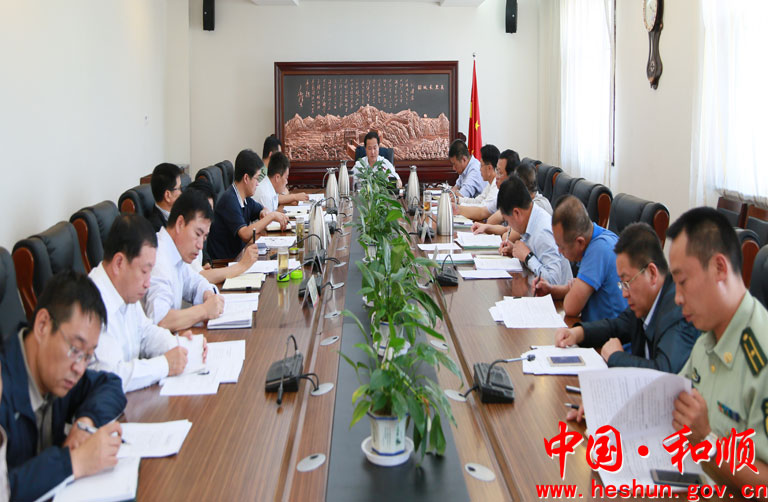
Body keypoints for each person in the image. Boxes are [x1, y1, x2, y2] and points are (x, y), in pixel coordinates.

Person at [0, 271, 126, 501]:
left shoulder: (58, 375)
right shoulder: (4, 387)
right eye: (75, 349)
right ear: (42, 325)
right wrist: (74, 462)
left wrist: (85, 423)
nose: (80, 368)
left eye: (88, 356)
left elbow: (110, 384)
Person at [668, 207, 768, 490]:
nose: (677, 298)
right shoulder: (707, 339)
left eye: (683, 282)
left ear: (719, 268)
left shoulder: (762, 356)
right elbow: (670, 400)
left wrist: (707, 440)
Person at [555, 222, 700, 370]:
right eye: (622, 284)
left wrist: (616, 357)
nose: (624, 293)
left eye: (627, 282)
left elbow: (665, 371)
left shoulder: (678, 310)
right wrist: (578, 333)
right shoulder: (647, 303)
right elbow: (616, 326)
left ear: (652, 273)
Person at [90, 214, 204, 392]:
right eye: (144, 271)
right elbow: (113, 375)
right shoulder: (90, 303)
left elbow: (145, 332)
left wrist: (180, 346)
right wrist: (165, 364)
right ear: (119, 263)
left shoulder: (124, 289)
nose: (147, 283)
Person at [534, 195, 627, 322]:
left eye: (561, 247)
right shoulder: (599, 237)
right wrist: (552, 290)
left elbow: (570, 307)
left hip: (610, 332)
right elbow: (581, 289)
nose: (559, 251)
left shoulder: (598, 250)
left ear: (580, 242)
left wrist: (575, 288)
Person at [143, 190, 225, 331]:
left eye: (204, 237)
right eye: (197, 234)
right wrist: (204, 310)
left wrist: (208, 294)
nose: (200, 245)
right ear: (180, 223)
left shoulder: (176, 253)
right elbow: (161, 320)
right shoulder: (157, 258)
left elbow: (195, 282)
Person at [207, 149, 289, 260]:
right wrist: (272, 216)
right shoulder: (229, 200)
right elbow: (245, 234)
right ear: (246, 178)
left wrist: (264, 211)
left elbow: (261, 209)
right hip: (225, 262)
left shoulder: (245, 199)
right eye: (256, 178)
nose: (258, 184)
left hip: (240, 256)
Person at [497, 175, 572, 285]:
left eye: (508, 221)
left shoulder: (542, 231)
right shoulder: (531, 218)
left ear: (516, 213)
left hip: (557, 295)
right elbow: (538, 257)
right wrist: (515, 251)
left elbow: (554, 281)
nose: (509, 225)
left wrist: (527, 257)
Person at [186, 178, 261, 284]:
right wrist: (242, 265)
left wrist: (205, 263)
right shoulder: (184, 242)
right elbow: (200, 277)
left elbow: (198, 275)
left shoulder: (195, 234)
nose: (209, 217)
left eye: (210, 211)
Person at [461, 148, 520, 225]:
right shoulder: (502, 193)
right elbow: (483, 211)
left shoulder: (519, 199)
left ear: (511, 177)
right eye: (497, 171)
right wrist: (457, 206)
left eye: (500, 173)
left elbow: (483, 214)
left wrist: (457, 207)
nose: (497, 176)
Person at [148, 162, 183, 232]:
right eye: (179, 188)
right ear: (167, 195)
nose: (181, 192)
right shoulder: (157, 229)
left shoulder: (180, 212)